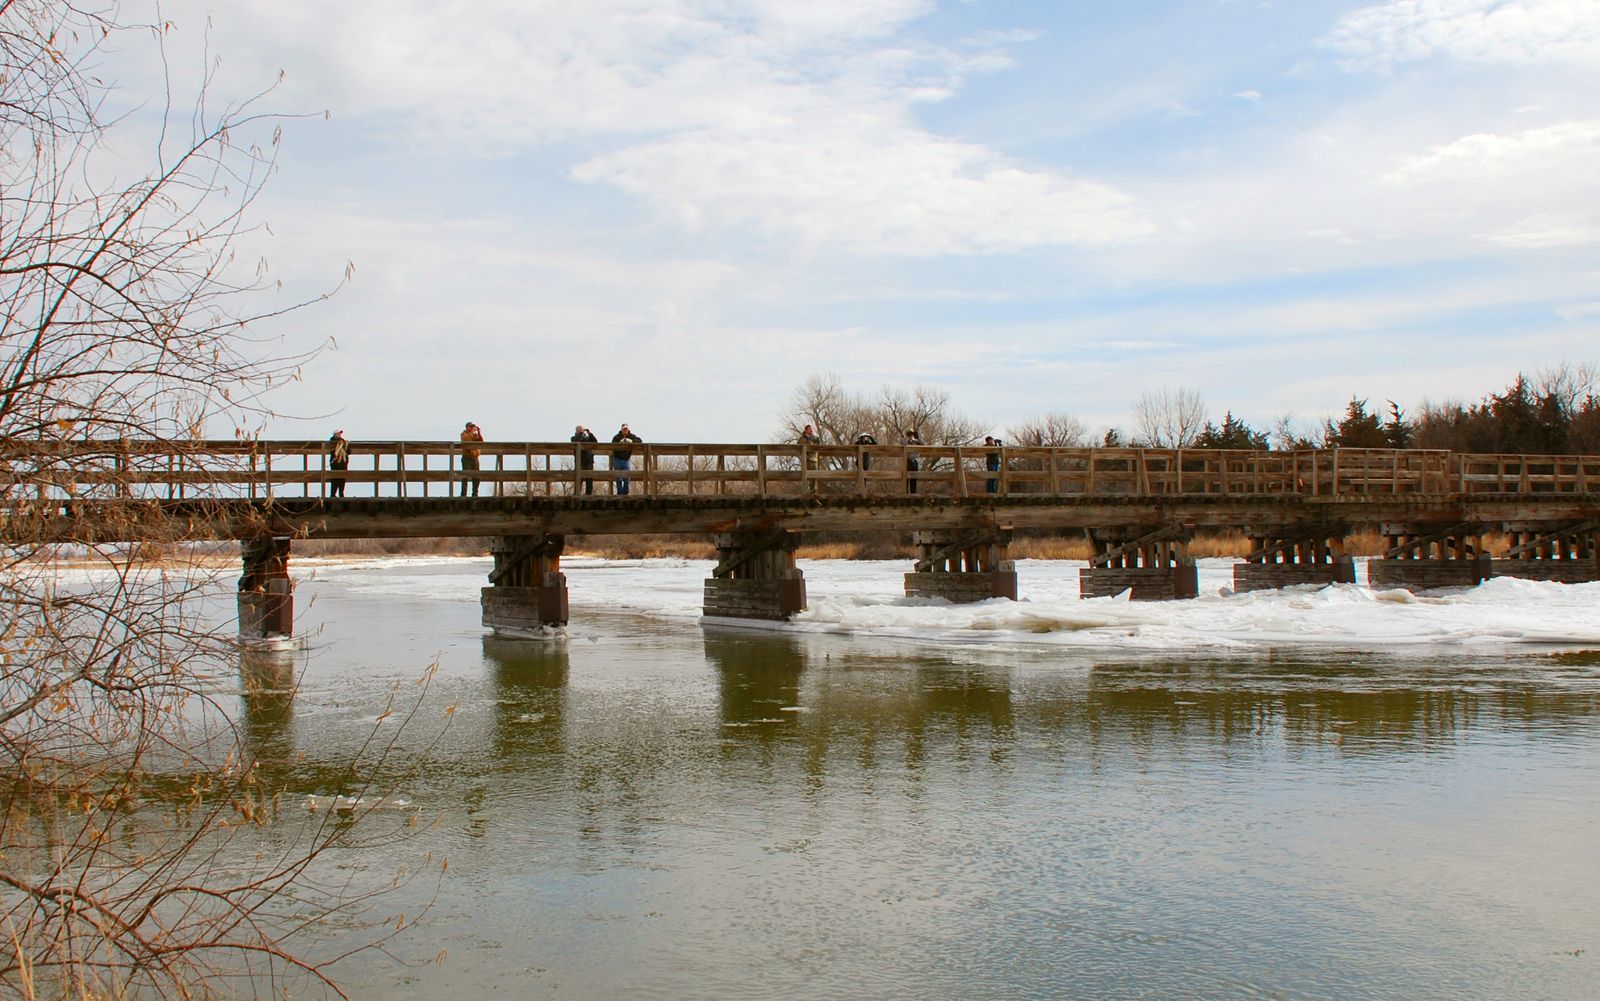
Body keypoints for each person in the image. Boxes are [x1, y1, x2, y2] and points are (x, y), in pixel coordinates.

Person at [611, 423, 642, 495]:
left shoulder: (632, 436)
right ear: (621, 429)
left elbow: (640, 441)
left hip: (626, 459)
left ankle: (626, 492)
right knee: (618, 476)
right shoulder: (616, 437)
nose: (625, 430)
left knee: (627, 476)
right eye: (624, 429)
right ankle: (619, 492)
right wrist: (620, 443)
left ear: (628, 429)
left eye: (626, 429)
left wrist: (631, 442)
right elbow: (612, 445)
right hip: (617, 458)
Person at [460, 421, 484, 497]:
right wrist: (471, 432)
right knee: (465, 476)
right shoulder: (463, 434)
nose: (472, 428)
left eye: (473, 427)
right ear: (467, 427)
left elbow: (481, 442)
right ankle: (463, 494)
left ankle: (475, 493)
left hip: (475, 457)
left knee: (476, 476)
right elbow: (465, 441)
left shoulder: (474, 435)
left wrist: (479, 433)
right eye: (471, 426)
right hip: (466, 457)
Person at [572, 424, 598, 495]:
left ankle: (588, 494)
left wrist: (590, 433)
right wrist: (580, 434)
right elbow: (578, 440)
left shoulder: (588, 437)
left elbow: (595, 442)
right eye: (580, 430)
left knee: (589, 478)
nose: (582, 431)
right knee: (579, 478)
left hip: (589, 461)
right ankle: (577, 493)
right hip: (580, 461)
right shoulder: (573, 438)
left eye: (582, 430)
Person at [327, 430, 349, 498]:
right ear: (334, 434)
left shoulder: (344, 442)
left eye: (340, 433)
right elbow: (330, 447)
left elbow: (348, 451)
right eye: (338, 433)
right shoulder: (332, 442)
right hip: (335, 463)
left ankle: (341, 494)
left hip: (343, 462)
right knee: (335, 479)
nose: (339, 435)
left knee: (342, 479)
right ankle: (333, 494)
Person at [902, 427, 923, 494]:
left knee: (914, 477)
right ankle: (905, 492)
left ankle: (913, 493)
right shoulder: (904, 440)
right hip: (908, 461)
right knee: (906, 477)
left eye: (911, 434)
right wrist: (907, 438)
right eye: (909, 434)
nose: (910, 435)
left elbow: (923, 445)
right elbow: (903, 443)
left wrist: (917, 437)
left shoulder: (916, 441)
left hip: (915, 461)